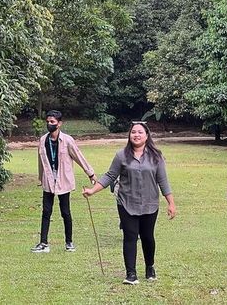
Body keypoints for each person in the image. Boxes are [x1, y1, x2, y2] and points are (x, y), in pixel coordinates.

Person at [82, 122, 176, 285]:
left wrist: (171, 203)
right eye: (133, 132)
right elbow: (110, 176)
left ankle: (149, 267)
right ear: (129, 135)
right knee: (130, 236)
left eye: (140, 132)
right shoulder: (121, 156)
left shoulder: (156, 156)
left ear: (147, 136)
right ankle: (131, 274)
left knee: (147, 237)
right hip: (126, 202)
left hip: (150, 203)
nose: (136, 135)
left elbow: (163, 181)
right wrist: (92, 190)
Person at [31, 110, 96, 254]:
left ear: (59, 124)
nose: (49, 124)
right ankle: (43, 243)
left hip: (63, 180)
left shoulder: (67, 140)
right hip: (48, 179)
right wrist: (41, 178)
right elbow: (41, 161)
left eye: (52, 122)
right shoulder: (43, 140)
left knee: (65, 212)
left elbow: (78, 156)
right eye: (48, 122)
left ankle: (69, 242)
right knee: (46, 211)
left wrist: (90, 173)